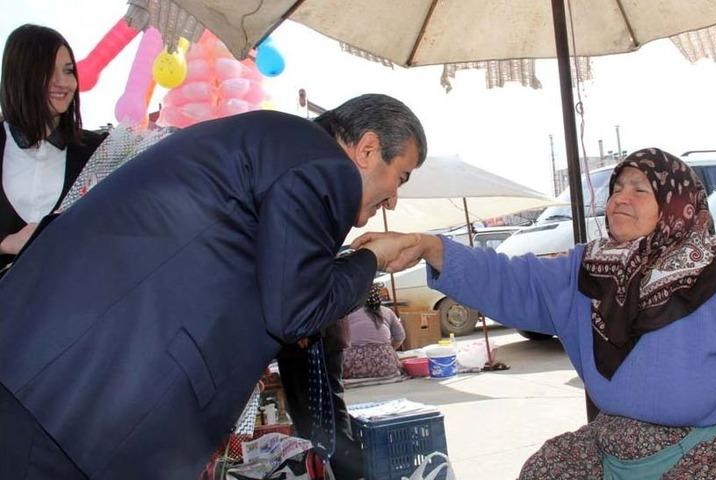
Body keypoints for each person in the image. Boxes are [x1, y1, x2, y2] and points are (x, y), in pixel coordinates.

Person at [0, 93, 426, 479]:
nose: (392, 201)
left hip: (59, 382)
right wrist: (373, 258)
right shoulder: (323, 165)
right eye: (401, 178)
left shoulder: (280, 145)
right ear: (368, 149)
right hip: (76, 401)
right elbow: (294, 309)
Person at [355, 148, 716, 479]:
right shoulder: (588, 268)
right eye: (617, 187)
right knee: (546, 470)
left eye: (641, 190)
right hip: (619, 440)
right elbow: (509, 279)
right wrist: (428, 247)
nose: (620, 198)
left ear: (677, 206)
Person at [0, 24, 107, 273]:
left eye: (68, 71)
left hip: (70, 301)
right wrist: (6, 243)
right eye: (49, 71)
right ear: (21, 75)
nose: (63, 83)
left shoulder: (98, 151)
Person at [278, 317, 364, 480]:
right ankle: (316, 468)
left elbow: (310, 292)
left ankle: (344, 471)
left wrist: (304, 327)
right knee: (307, 411)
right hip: (303, 333)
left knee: (326, 411)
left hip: (311, 335)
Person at [342, 282, 405, 379]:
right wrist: (385, 349)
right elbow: (400, 337)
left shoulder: (345, 313)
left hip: (353, 366)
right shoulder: (387, 311)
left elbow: (338, 340)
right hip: (386, 365)